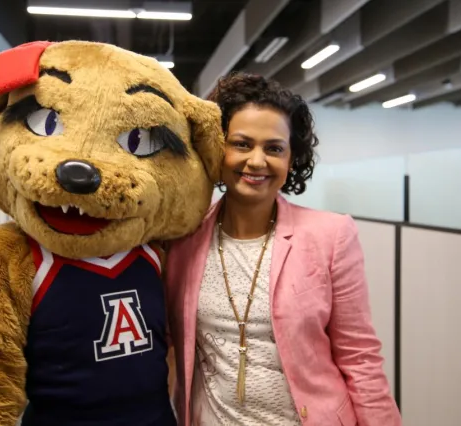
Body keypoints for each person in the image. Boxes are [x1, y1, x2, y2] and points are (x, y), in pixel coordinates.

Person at [165, 72, 402, 426]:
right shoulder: (183, 237)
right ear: (218, 147)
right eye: (242, 144)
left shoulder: (331, 236)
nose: (257, 161)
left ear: (291, 159)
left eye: (274, 148)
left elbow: (360, 358)